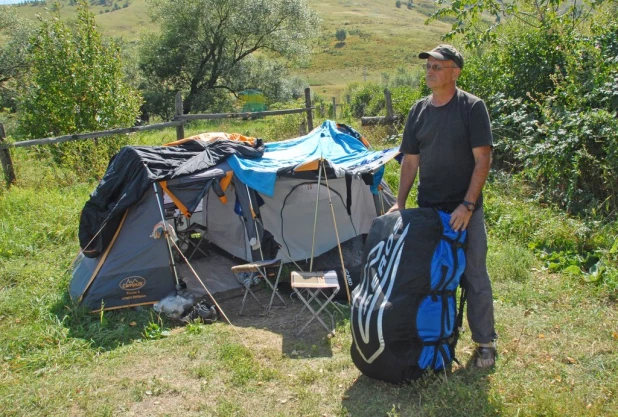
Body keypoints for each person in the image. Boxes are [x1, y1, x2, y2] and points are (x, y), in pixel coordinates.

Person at [388, 44, 497, 368]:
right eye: (428, 67)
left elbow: (483, 160)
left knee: (474, 275)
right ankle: (437, 341)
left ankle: (485, 343)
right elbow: (410, 161)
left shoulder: (472, 108)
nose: (430, 72)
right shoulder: (418, 111)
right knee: (432, 278)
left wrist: (466, 205)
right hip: (429, 212)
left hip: (465, 211)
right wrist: (400, 203)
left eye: (437, 66)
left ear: (455, 71)